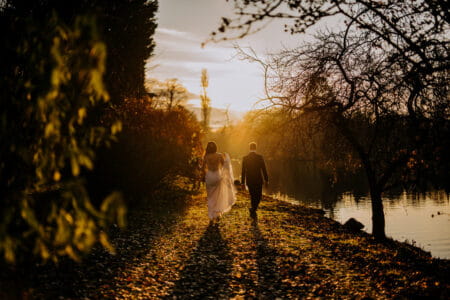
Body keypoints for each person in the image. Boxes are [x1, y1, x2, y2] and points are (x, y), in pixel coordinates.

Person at [202, 141, 236, 224]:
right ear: (215, 147)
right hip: (217, 176)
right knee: (217, 195)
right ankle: (217, 214)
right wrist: (227, 160)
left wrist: (203, 176)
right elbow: (224, 166)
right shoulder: (219, 155)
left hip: (209, 176)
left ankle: (211, 215)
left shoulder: (206, 156)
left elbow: (203, 168)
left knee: (210, 196)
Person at [241, 142, 268, 218]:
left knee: (252, 195)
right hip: (258, 179)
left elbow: (243, 171)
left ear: (249, 148)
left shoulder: (245, 158)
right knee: (258, 195)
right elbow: (264, 169)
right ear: (255, 148)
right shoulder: (260, 157)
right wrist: (266, 180)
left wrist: (242, 182)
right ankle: (254, 208)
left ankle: (253, 208)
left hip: (249, 180)